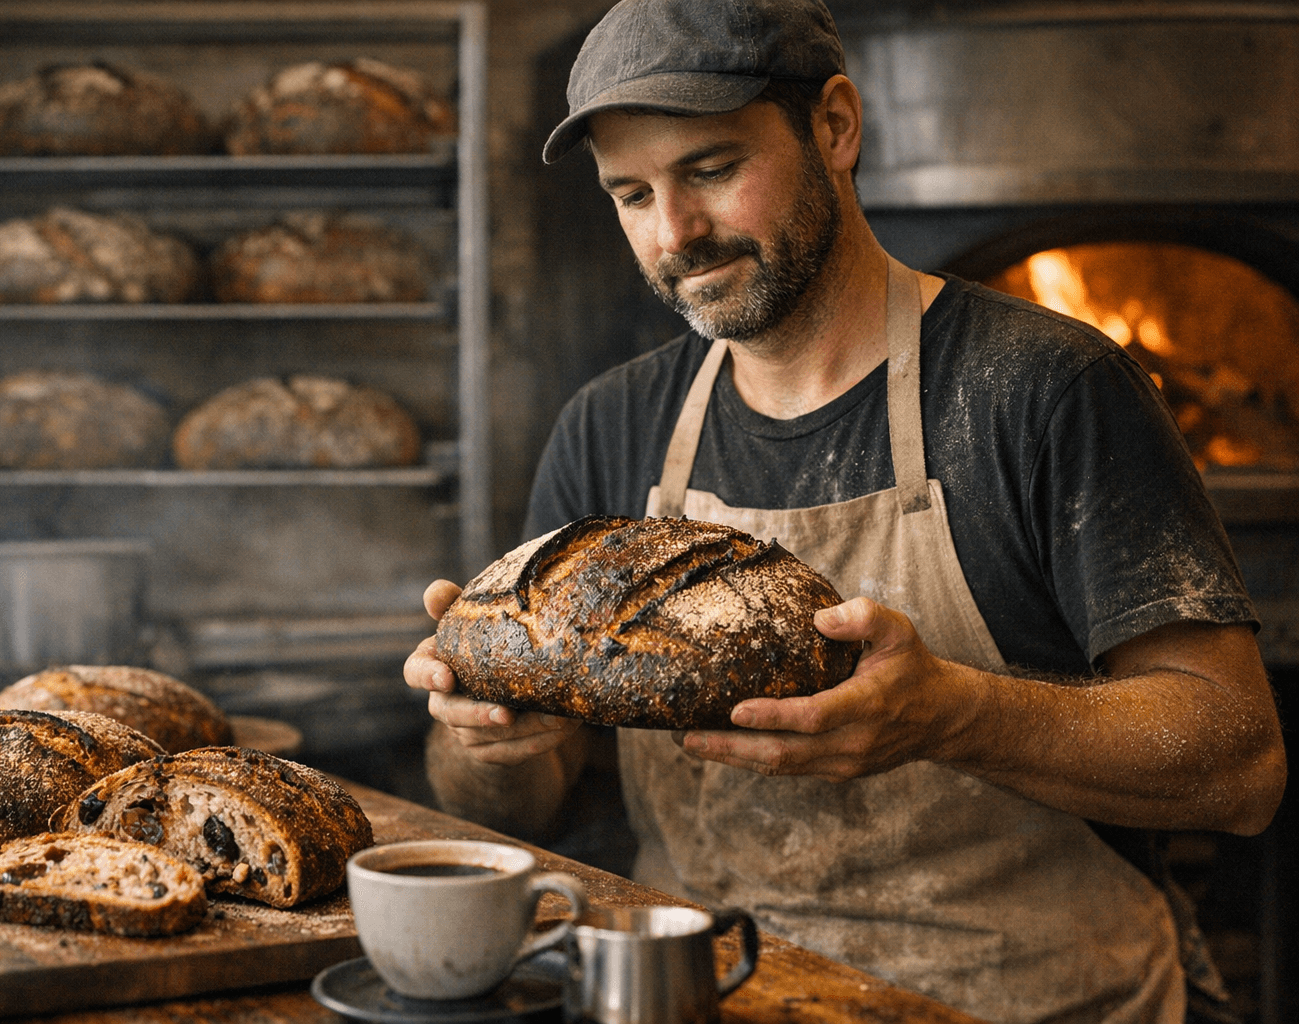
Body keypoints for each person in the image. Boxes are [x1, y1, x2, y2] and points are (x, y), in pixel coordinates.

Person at [404, 1, 1287, 1021]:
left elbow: (1239, 762)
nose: (674, 234)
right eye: (632, 194)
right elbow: (522, 799)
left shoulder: (1044, 390)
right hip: (708, 995)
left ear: (834, 126)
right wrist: (484, 740)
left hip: (1012, 1004)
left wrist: (955, 715)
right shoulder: (611, 424)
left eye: (711, 169)